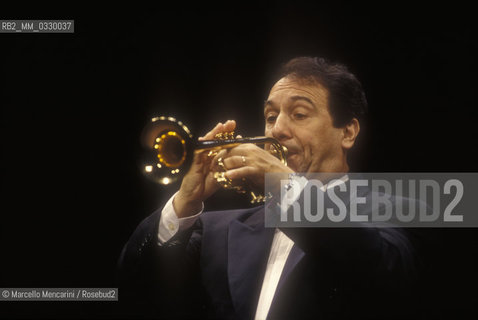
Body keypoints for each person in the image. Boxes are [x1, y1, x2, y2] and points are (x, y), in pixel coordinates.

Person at [118, 57, 422, 319]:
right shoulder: (216, 229)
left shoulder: (398, 208)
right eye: (270, 117)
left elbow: (383, 269)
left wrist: (287, 187)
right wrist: (186, 199)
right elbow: (138, 288)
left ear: (348, 132)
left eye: (299, 114)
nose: (276, 130)